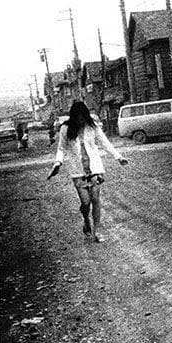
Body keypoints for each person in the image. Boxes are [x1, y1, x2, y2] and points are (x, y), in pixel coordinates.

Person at [47, 101, 128, 241]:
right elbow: (61, 148)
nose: (81, 120)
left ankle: (97, 231)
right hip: (78, 171)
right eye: (78, 117)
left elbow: (105, 143)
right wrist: (58, 163)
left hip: (95, 169)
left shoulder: (92, 126)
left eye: (83, 116)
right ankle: (86, 220)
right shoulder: (66, 129)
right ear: (73, 117)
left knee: (95, 199)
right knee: (85, 202)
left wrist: (118, 157)